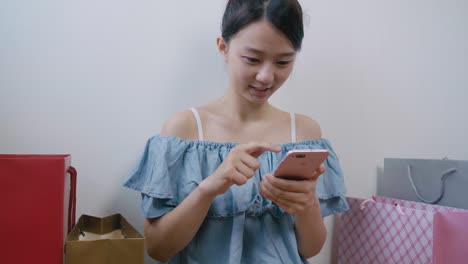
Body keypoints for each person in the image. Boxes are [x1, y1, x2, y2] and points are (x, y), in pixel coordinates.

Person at [124, 0, 348, 263]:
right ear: (223, 47)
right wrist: (208, 189)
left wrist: (307, 202)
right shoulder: (184, 129)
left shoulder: (304, 132)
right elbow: (158, 249)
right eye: (252, 59)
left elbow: (310, 249)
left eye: (283, 61)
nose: (266, 76)